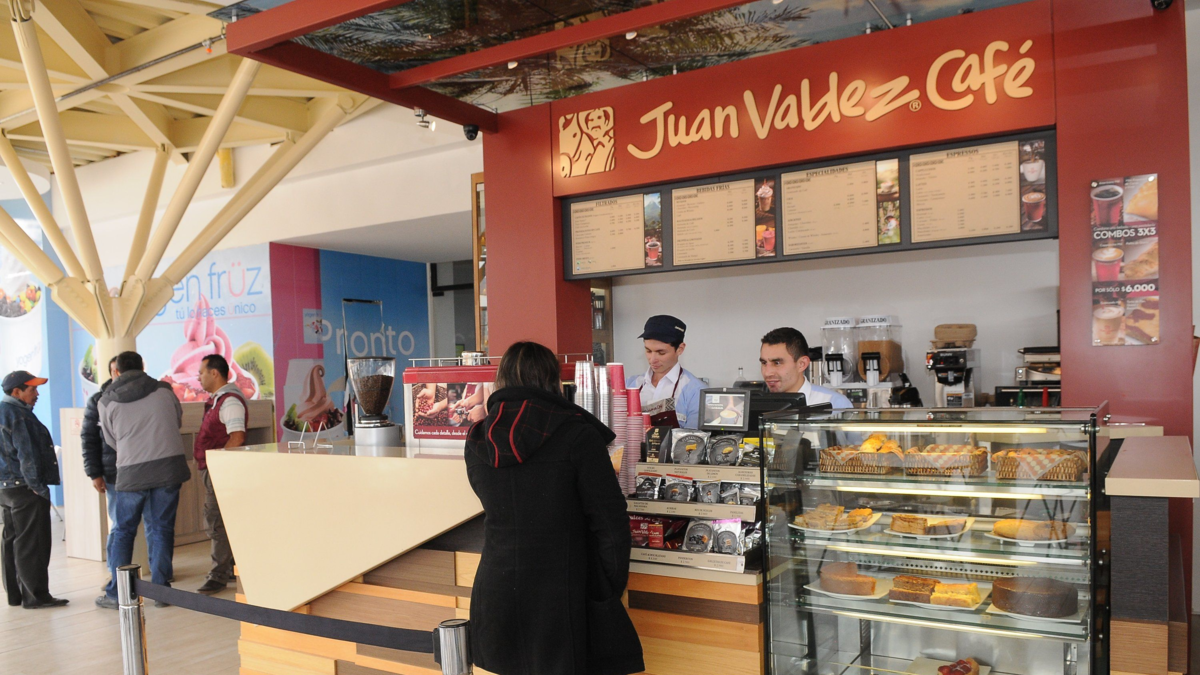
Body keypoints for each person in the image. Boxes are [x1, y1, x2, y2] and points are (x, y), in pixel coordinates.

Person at [464, 341, 644, 675]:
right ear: (554, 382)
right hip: (562, 595)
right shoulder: (577, 435)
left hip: (495, 591)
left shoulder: (477, 439)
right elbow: (611, 525)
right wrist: (607, 590)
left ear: (500, 381)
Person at [95, 352, 190, 610]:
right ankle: (161, 591)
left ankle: (118, 593)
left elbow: (111, 440)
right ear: (142, 367)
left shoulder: (106, 401)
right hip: (167, 468)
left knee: (123, 531)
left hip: (131, 471)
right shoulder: (164, 391)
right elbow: (176, 421)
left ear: (117, 371)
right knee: (161, 528)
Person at [0, 370, 67, 609]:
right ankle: (36, 596)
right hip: (25, 488)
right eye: (32, 389)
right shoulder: (19, 416)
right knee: (32, 543)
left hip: (6, 489)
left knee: (12, 540)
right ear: (16, 391)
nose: (37, 394)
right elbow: (26, 455)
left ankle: (15, 595)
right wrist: (38, 488)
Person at [194, 354, 247, 595]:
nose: (199, 377)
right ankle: (232, 566)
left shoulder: (230, 401)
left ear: (214, 373)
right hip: (215, 470)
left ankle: (219, 575)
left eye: (201, 372)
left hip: (221, 472)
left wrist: (220, 467)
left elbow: (237, 437)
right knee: (223, 521)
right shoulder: (218, 400)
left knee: (216, 522)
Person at [624, 314, 703, 428]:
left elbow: (694, 437)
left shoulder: (695, 391)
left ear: (680, 349)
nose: (652, 359)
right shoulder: (629, 385)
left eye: (661, 353)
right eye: (648, 351)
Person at [81, 356, 120, 580]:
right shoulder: (98, 400)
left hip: (140, 469)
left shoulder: (145, 396)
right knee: (119, 524)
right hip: (112, 472)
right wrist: (94, 473)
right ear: (112, 372)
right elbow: (88, 438)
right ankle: (114, 573)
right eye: (116, 370)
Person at [760, 327, 853, 409]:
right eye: (764, 363)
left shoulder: (835, 404)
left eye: (777, 363)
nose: (767, 373)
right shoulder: (756, 405)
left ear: (802, 364)